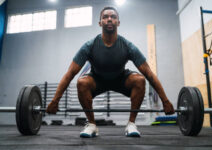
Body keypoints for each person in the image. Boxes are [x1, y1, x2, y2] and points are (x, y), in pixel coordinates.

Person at [46, 6, 175, 138]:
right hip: (97, 80)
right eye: (105, 17)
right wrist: (55, 100)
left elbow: (149, 74)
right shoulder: (89, 46)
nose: (109, 19)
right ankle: (91, 125)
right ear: (100, 22)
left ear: (118, 22)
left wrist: (165, 100)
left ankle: (131, 124)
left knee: (140, 80)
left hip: (120, 79)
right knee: (81, 82)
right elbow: (69, 74)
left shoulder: (127, 46)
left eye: (113, 17)